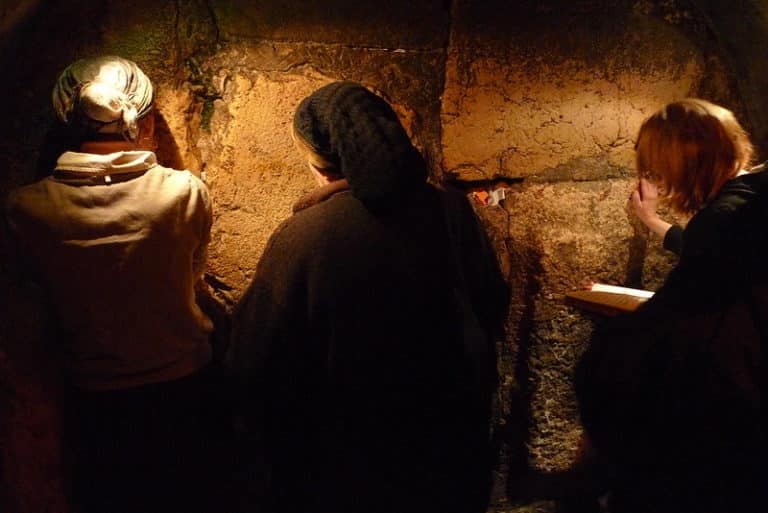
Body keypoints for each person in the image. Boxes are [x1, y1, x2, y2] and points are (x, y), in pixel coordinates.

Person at [226, 81, 509, 513]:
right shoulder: (450, 211)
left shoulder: (307, 235)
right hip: (446, 448)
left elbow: (256, 360)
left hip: (351, 461)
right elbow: (491, 304)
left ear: (319, 161)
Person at [4, 55, 227, 513]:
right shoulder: (184, 193)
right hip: (185, 393)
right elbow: (193, 275)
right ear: (143, 123)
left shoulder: (25, 210)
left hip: (94, 403)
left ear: (67, 122)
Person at [575, 98, 765, 513]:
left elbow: (660, 328)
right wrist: (655, 223)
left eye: (657, 170)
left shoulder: (722, 223)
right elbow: (712, 252)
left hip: (725, 425)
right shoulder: (753, 199)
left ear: (681, 168)